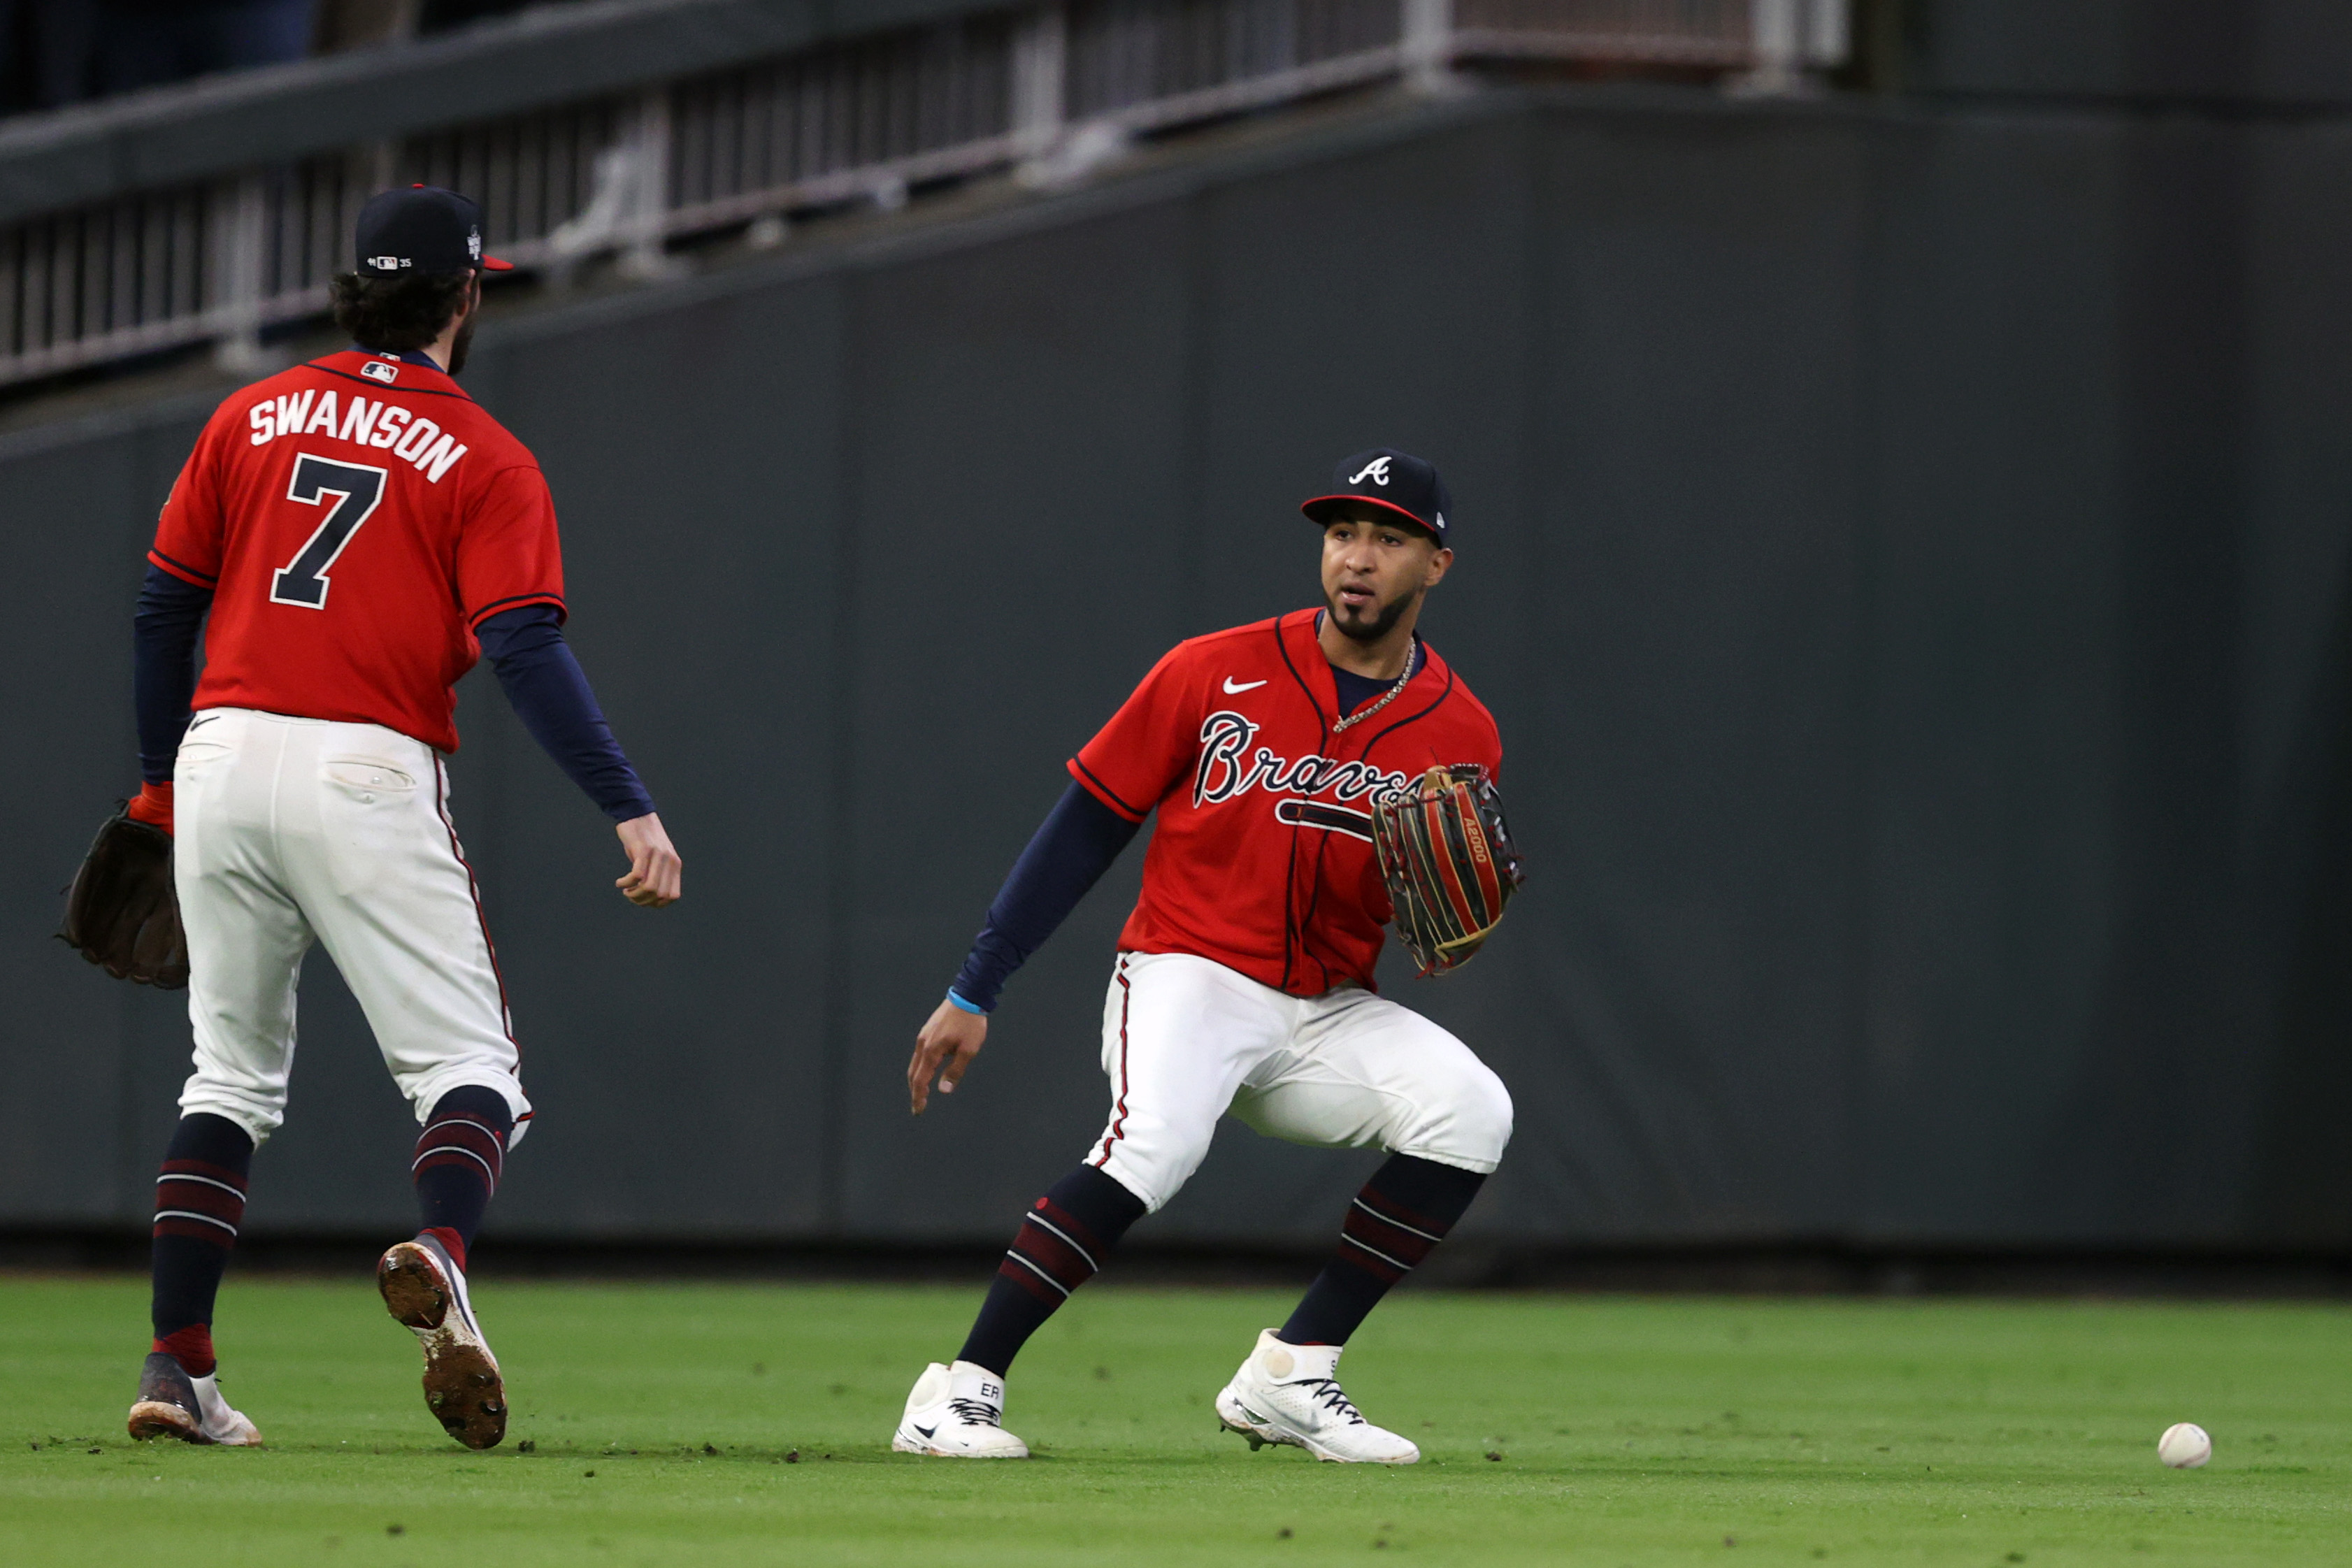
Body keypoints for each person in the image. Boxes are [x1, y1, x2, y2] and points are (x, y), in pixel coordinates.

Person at [123, 185, 681, 1451]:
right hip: (363, 767)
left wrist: (160, 780)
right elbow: (524, 644)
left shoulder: (250, 413)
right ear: (467, 295)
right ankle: (438, 1246)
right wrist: (625, 803)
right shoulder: (484, 453)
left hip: (218, 752)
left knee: (228, 1077)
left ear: (350, 293)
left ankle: (176, 1367)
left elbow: (162, 607)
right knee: (471, 1073)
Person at [896, 448, 1512, 1464]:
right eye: (1342, 533)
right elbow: (1084, 829)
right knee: (1154, 1146)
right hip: (1190, 971)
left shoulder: (1462, 729)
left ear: (1435, 565)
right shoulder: (1211, 669)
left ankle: (1293, 1373)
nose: (1357, 558)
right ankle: (955, 1391)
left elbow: (1423, 908)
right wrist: (977, 983)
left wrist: (1447, 922)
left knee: (1473, 1109)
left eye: (1388, 538)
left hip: (1325, 1008)